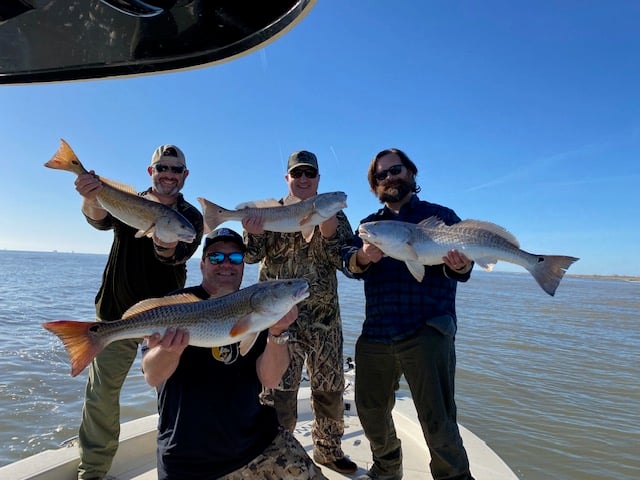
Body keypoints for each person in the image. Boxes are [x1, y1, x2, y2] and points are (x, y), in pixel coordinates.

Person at [142, 228, 328, 480]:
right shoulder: (175, 305)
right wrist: (168, 351)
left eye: (236, 258)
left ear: (243, 266)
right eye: (216, 258)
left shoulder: (260, 308)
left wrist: (278, 332)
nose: (226, 264)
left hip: (257, 444)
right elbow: (152, 375)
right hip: (188, 458)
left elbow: (270, 379)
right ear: (203, 264)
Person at [342, 148, 476, 480]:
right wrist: (363, 259)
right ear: (375, 185)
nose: (389, 178)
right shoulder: (368, 227)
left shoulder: (442, 216)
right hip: (378, 330)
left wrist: (464, 264)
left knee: (438, 419)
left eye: (395, 170)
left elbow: (464, 267)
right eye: (381, 175)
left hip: (428, 327)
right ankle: (387, 469)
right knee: (371, 411)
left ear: (411, 172)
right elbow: (352, 266)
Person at [73, 144, 204, 480]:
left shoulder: (190, 217)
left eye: (176, 170)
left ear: (185, 176)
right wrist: (90, 195)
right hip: (116, 313)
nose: (169, 175)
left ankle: (183, 466)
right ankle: (93, 471)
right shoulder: (126, 200)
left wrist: (165, 242)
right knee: (101, 396)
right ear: (151, 172)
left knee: (176, 394)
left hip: (168, 319)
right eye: (162, 168)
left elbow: (174, 255)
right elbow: (99, 220)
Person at [241, 150, 357, 474]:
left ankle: (328, 450)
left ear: (318, 180)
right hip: (278, 320)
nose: (303, 179)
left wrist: (329, 228)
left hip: (324, 320)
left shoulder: (334, 214)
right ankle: (274, 452)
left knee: (330, 388)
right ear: (287, 178)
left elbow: (344, 261)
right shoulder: (270, 212)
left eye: (310, 174)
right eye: (297, 174)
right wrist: (254, 230)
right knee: (278, 391)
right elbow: (250, 256)